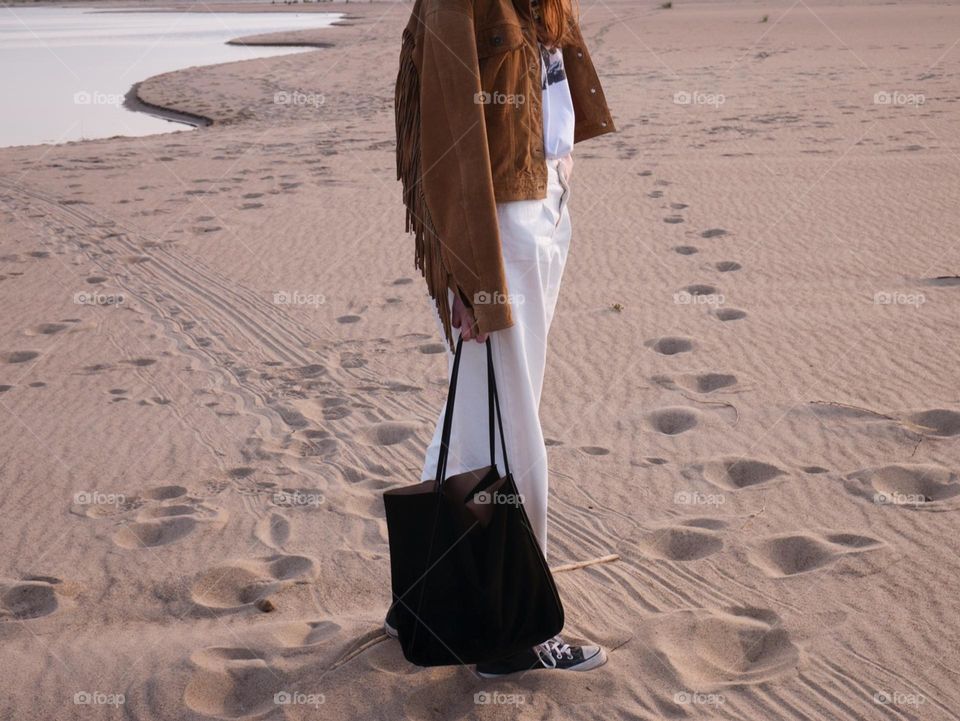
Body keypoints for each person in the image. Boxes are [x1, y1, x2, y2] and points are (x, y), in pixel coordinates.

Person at [389, 0, 616, 676]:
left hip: (544, 206)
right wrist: (466, 273)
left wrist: (560, 170)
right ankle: (516, 631)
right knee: (512, 423)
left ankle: (425, 596)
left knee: (477, 409)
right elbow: (446, 134)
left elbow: (553, 75)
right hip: (499, 232)